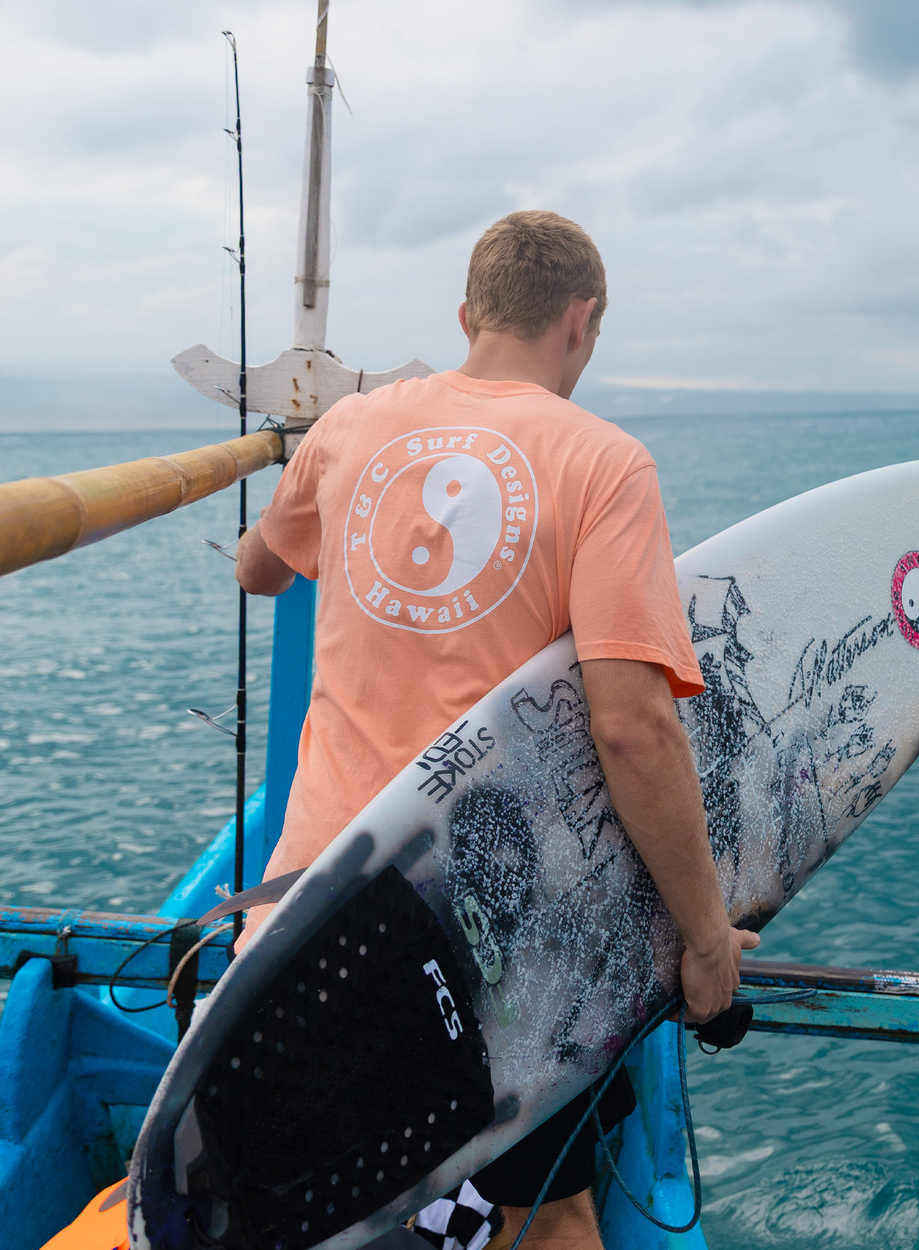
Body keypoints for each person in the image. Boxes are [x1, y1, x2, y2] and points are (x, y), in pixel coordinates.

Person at [235, 210, 760, 1249]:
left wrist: (311, 470)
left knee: (335, 1199)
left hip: (313, 907)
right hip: (499, 941)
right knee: (551, 1213)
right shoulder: (604, 464)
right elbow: (633, 730)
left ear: (467, 316)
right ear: (583, 321)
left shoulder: (348, 428)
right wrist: (705, 938)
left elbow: (259, 569)